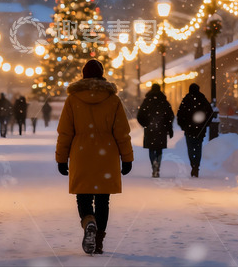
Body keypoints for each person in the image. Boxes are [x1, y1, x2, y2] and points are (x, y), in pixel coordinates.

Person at [56, 59, 133, 255]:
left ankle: (88, 221)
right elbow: (122, 132)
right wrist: (127, 158)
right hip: (106, 154)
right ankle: (98, 242)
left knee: (83, 197)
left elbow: (65, 132)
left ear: (83, 76)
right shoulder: (113, 100)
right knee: (102, 200)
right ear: (101, 75)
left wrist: (61, 158)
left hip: (81, 153)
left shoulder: (72, 100)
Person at [136, 83, 174, 178]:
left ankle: (153, 164)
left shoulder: (147, 101)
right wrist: (168, 127)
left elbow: (139, 116)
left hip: (150, 129)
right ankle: (158, 164)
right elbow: (170, 116)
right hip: (162, 129)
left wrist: (145, 124)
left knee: (151, 148)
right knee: (159, 149)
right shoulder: (164, 101)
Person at [176, 83, 214, 177]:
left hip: (189, 128)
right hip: (200, 129)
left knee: (190, 148)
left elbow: (180, 114)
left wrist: (183, 126)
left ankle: (193, 164)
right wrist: (205, 125)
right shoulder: (202, 99)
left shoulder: (186, 100)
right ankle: (196, 166)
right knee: (198, 147)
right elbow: (210, 113)